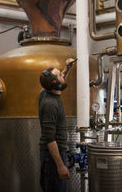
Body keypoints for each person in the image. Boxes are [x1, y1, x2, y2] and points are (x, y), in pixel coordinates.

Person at [39, 58, 76, 192]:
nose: (63, 75)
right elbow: (50, 139)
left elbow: (59, 81)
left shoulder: (45, 92)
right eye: (60, 75)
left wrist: (67, 68)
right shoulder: (50, 104)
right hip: (53, 157)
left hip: (53, 155)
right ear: (55, 84)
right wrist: (60, 165)